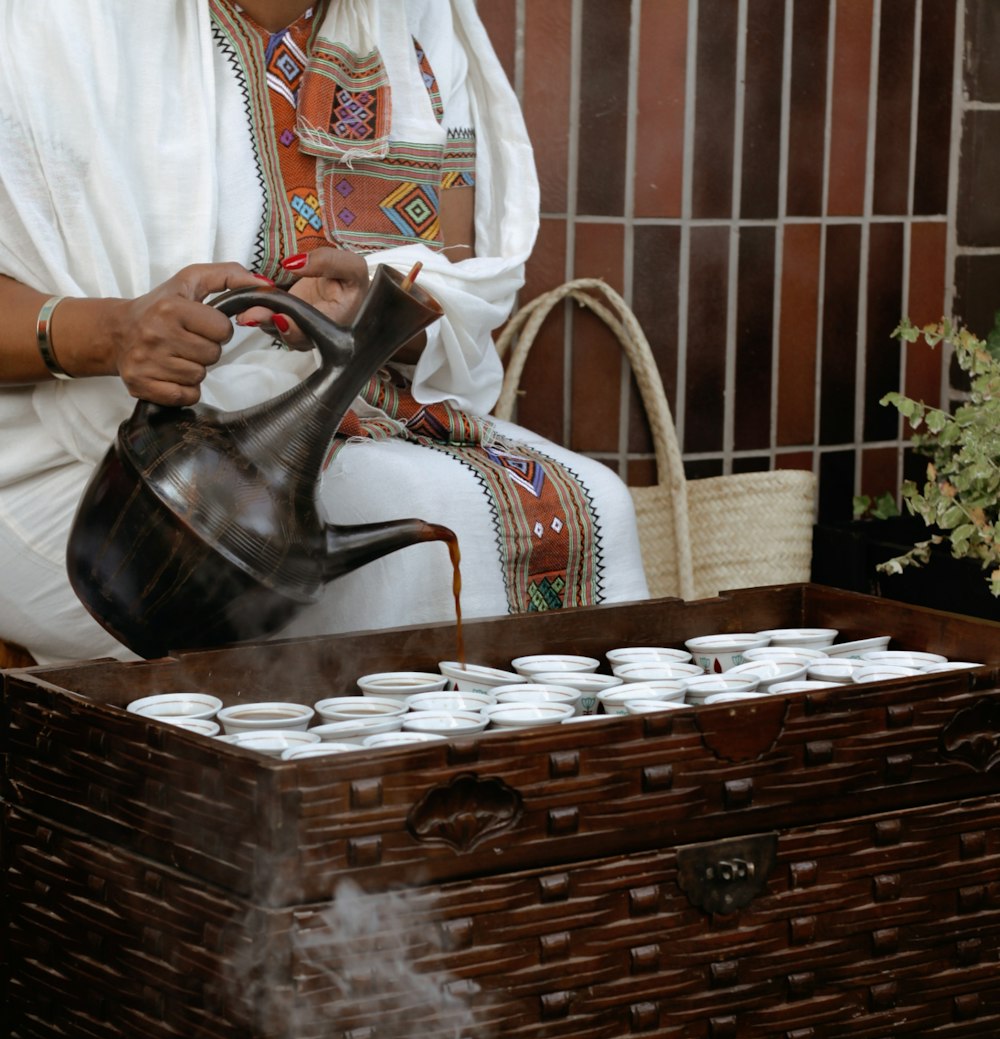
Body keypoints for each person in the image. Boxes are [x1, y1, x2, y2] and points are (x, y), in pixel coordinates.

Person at [0, 0, 648, 665]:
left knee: (601, 505)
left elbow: (453, 278)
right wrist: (113, 334)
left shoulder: (418, 22)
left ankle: (520, 765)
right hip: (82, 469)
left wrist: (374, 308)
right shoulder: (49, 25)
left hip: (343, 417)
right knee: (405, 530)